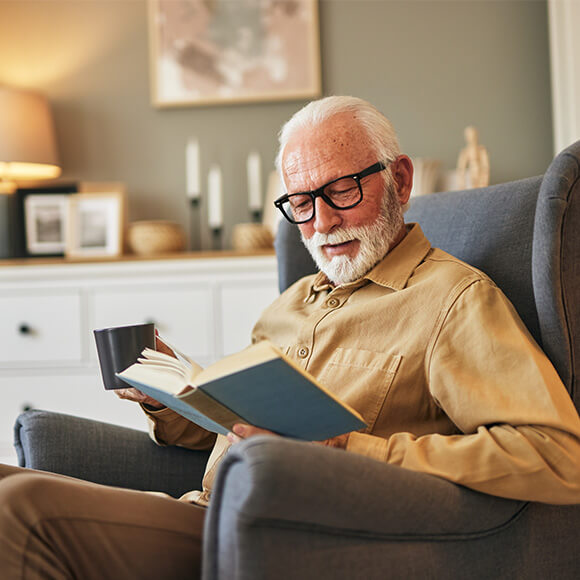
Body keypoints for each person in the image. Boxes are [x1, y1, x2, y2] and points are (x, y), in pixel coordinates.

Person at [1, 96, 579, 578]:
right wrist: (171, 397)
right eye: (301, 203)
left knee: (23, 508)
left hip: (275, 537)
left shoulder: (452, 301)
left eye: (343, 191)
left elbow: (558, 456)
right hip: (202, 510)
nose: (322, 223)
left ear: (398, 180)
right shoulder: (293, 303)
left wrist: (353, 451)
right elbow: (244, 430)